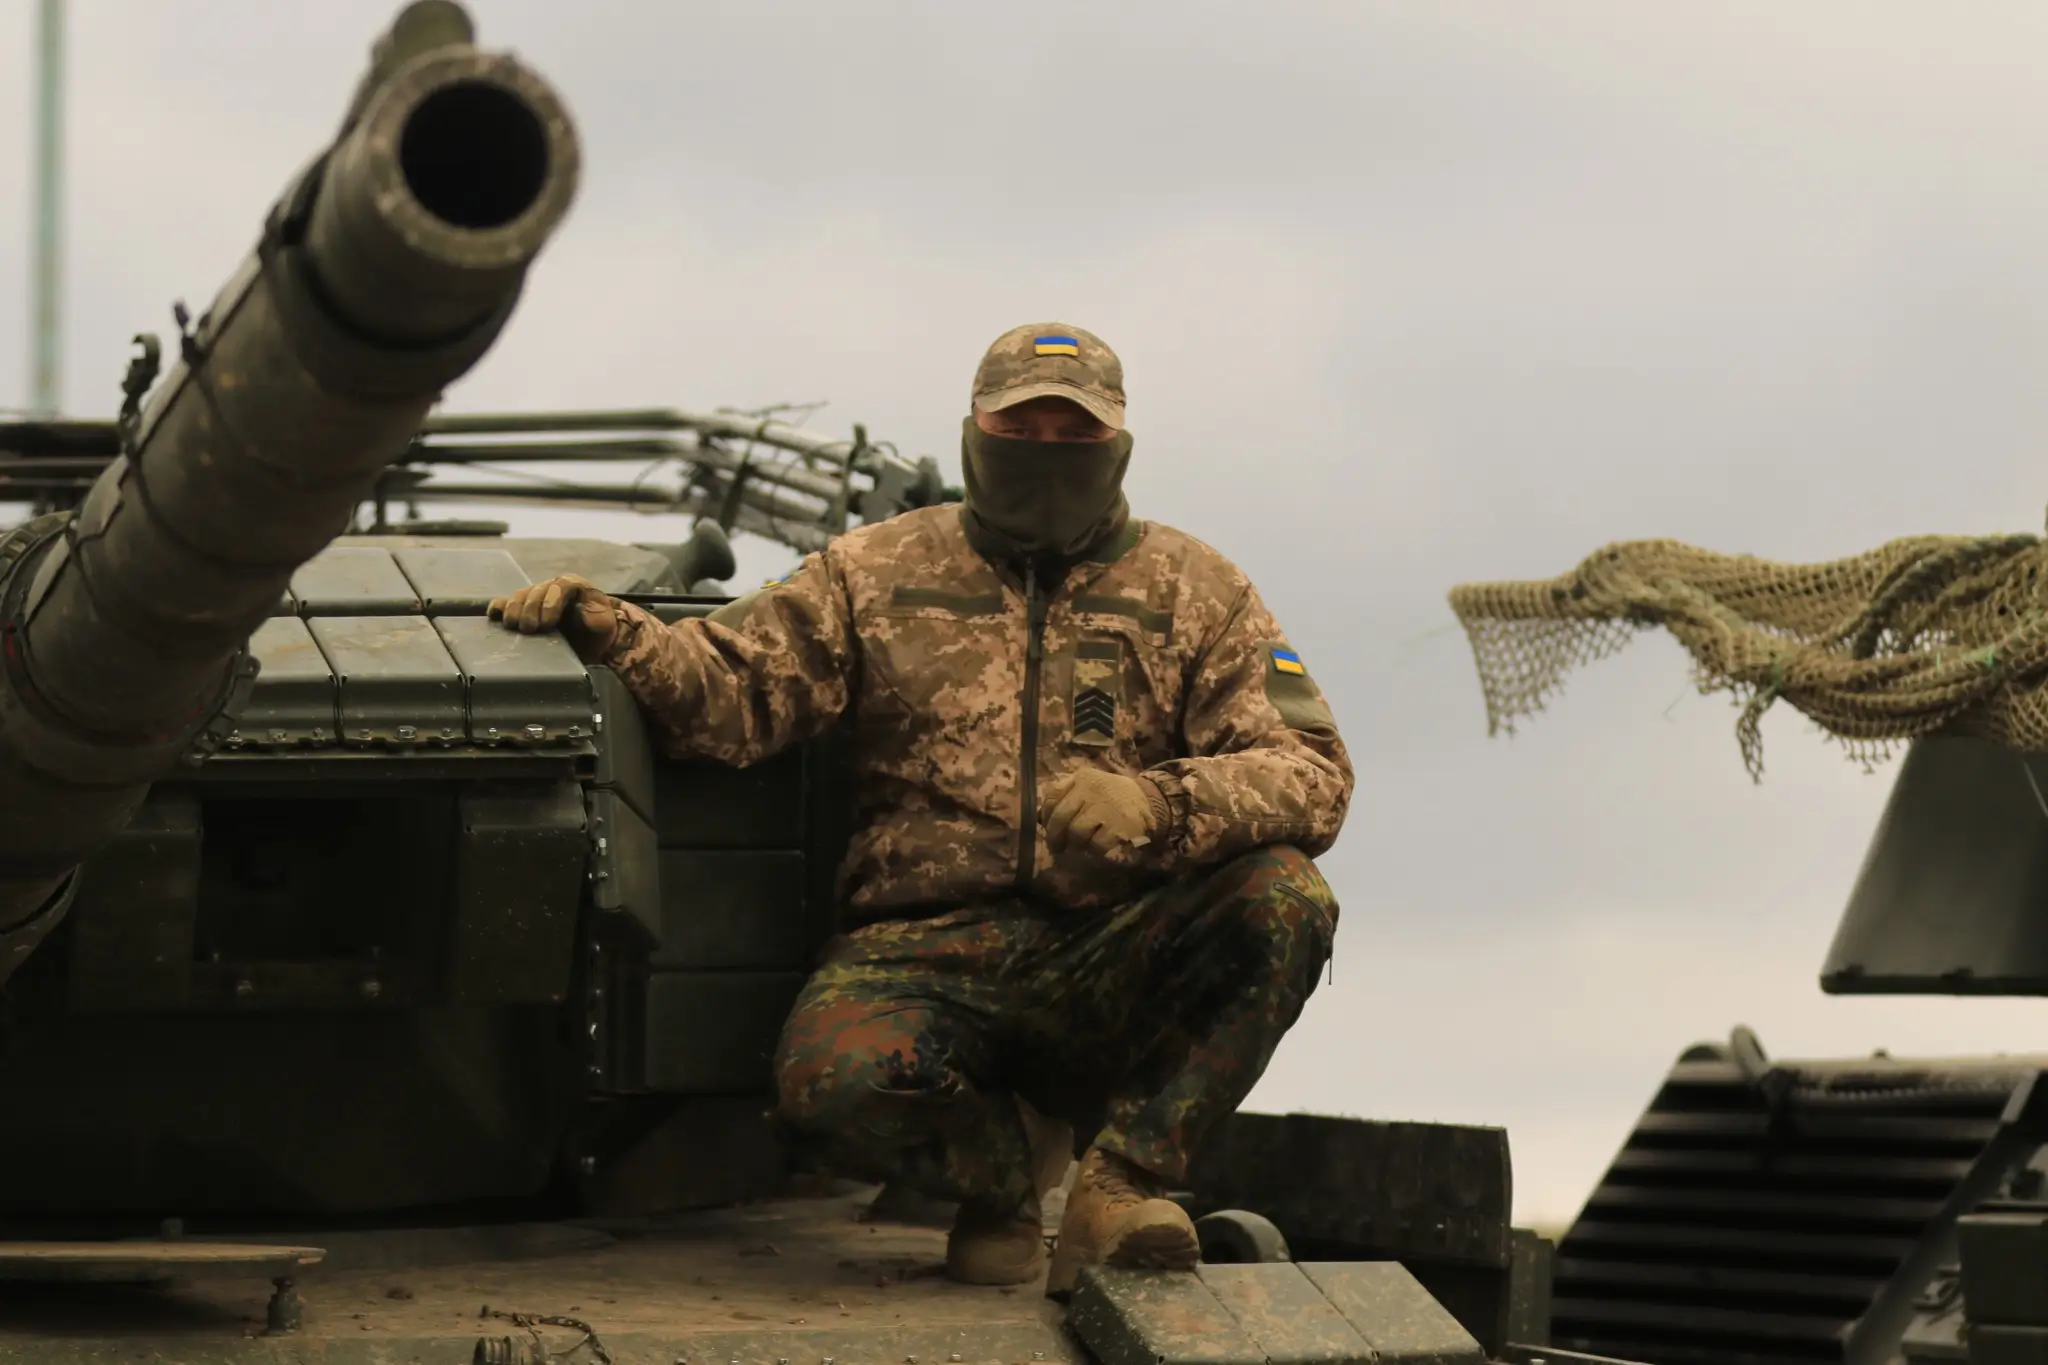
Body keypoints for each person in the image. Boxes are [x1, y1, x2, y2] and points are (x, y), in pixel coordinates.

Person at [488, 322, 1353, 1297]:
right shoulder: (875, 572)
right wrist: (614, 627)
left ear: (1116, 446)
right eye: (1021, 426)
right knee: (827, 1082)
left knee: (1283, 899)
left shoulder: (1196, 589)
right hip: (921, 948)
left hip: (1105, 945)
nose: (1046, 451)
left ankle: (1118, 1185)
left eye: (1073, 434)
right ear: (975, 431)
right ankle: (1000, 1194)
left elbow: (1312, 771)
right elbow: (729, 693)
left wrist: (1159, 803)